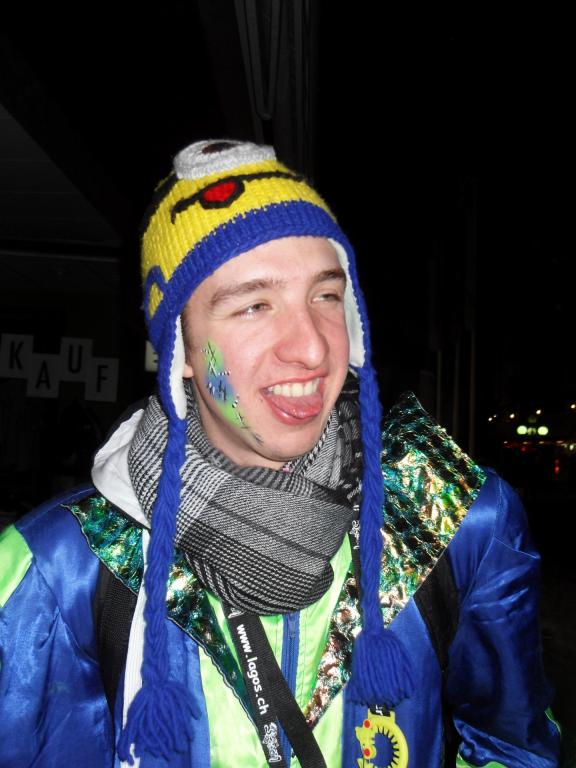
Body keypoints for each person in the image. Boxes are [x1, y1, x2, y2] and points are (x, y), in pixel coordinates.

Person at [0, 139, 561, 768]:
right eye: (254, 306)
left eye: (326, 296)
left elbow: (514, 748)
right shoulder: (59, 571)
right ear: (180, 349)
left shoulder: (454, 519)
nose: (313, 349)